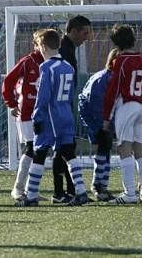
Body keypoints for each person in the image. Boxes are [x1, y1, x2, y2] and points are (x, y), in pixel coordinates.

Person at [15, 29, 89, 207]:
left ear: (44, 46)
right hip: (65, 114)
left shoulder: (46, 67)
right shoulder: (68, 67)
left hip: (51, 116)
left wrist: (37, 116)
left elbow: (44, 96)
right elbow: (71, 93)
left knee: (39, 152)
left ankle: (31, 195)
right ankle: (81, 192)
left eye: (39, 47)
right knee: (69, 153)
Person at [101, 24, 142, 204]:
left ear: (116, 43)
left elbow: (113, 91)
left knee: (124, 148)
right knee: (140, 149)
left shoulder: (121, 61)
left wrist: (106, 117)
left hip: (127, 106)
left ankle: (129, 193)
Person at [53, 15, 92, 203]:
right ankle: (65, 192)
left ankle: (65, 192)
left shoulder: (68, 49)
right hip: (59, 107)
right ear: (74, 31)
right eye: (85, 33)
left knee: (62, 149)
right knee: (63, 148)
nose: (87, 37)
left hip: (63, 105)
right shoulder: (63, 50)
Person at [1, 30, 44, 200]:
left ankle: (30, 190)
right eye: (41, 45)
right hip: (26, 112)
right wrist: (11, 103)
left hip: (42, 113)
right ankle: (18, 189)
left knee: (40, 150)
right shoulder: (28, 62)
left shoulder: (51, 62)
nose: (44, 48)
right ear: (35, 45)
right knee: (31, 149)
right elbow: (8, 81)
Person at [78, 48, 119, 201]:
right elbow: (88, 102)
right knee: (103, 150)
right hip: (99, 121)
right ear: (112, 61)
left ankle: (102, 186)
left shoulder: (113, 77)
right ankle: (97, 185)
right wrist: (98, 125)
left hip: (105, 121)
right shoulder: (103, 79)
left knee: (105, 151)